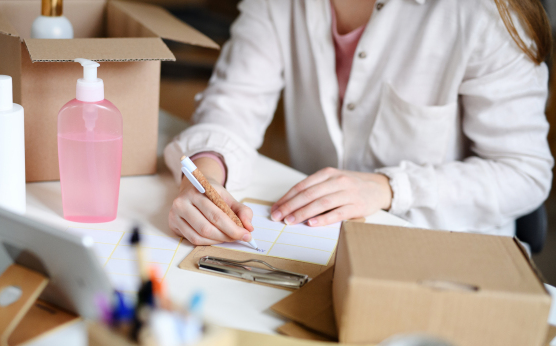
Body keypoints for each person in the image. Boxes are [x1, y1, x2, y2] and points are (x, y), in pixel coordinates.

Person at [164, 0, 554, 246]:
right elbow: (233, 105)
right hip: (324, 241)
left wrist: (390, 188)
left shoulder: (486, 14)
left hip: (447, 250)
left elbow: (524, 172)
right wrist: (205, 178)